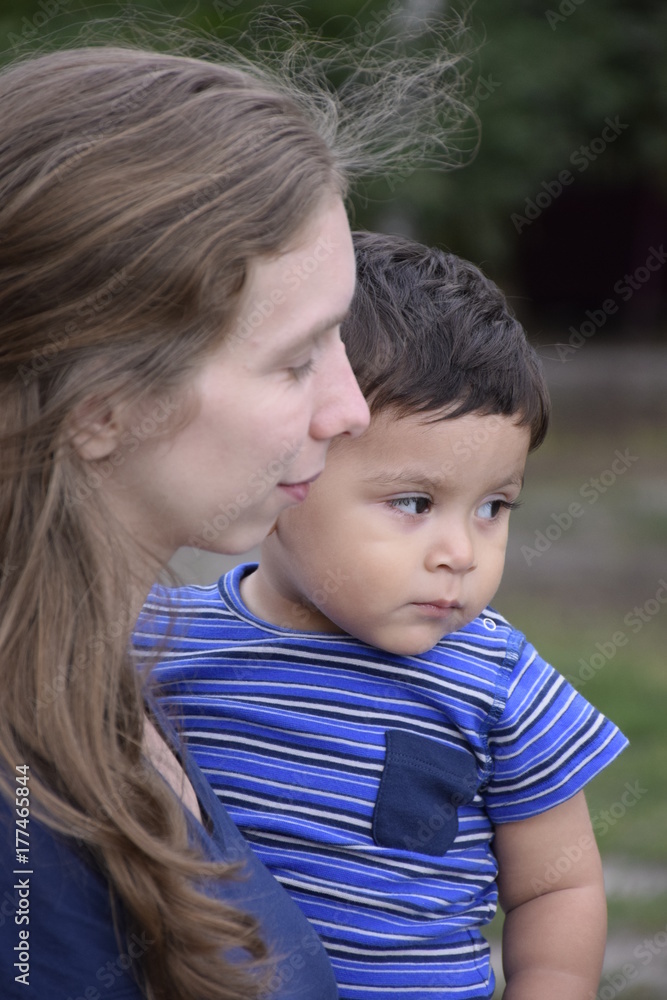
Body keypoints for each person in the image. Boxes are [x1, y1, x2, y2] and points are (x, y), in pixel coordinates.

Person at [139, 233, 629, 999]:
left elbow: (555, 886)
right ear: (290, 466)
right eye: (413, 502)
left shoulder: (497, 679)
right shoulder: (161, 640)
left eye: (493, 508)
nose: (460, 553)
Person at [0, 41, 380, 999]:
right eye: (296, 361)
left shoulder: (88, 680)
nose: (350, 409)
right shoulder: (22, 834)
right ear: (101, 407)